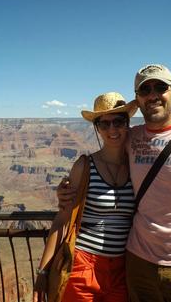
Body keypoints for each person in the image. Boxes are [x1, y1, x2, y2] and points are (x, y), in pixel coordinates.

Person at [58, 64, 171, 302]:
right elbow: (104, 157)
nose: (153, 95)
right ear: (138, 99)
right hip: (136, 264)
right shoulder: (130, 137)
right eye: (145, 90)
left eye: (160, 87)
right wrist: (67, 188)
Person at [33, 92, 138, 302]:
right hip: (82, 265)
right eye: (104, 124)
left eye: (118, 121)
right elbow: (62, 220)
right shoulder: (85, 166)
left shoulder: (138, 166)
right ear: (96, 128)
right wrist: (43, 273)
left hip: (123, 270)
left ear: (127, 124)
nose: (112, 129)